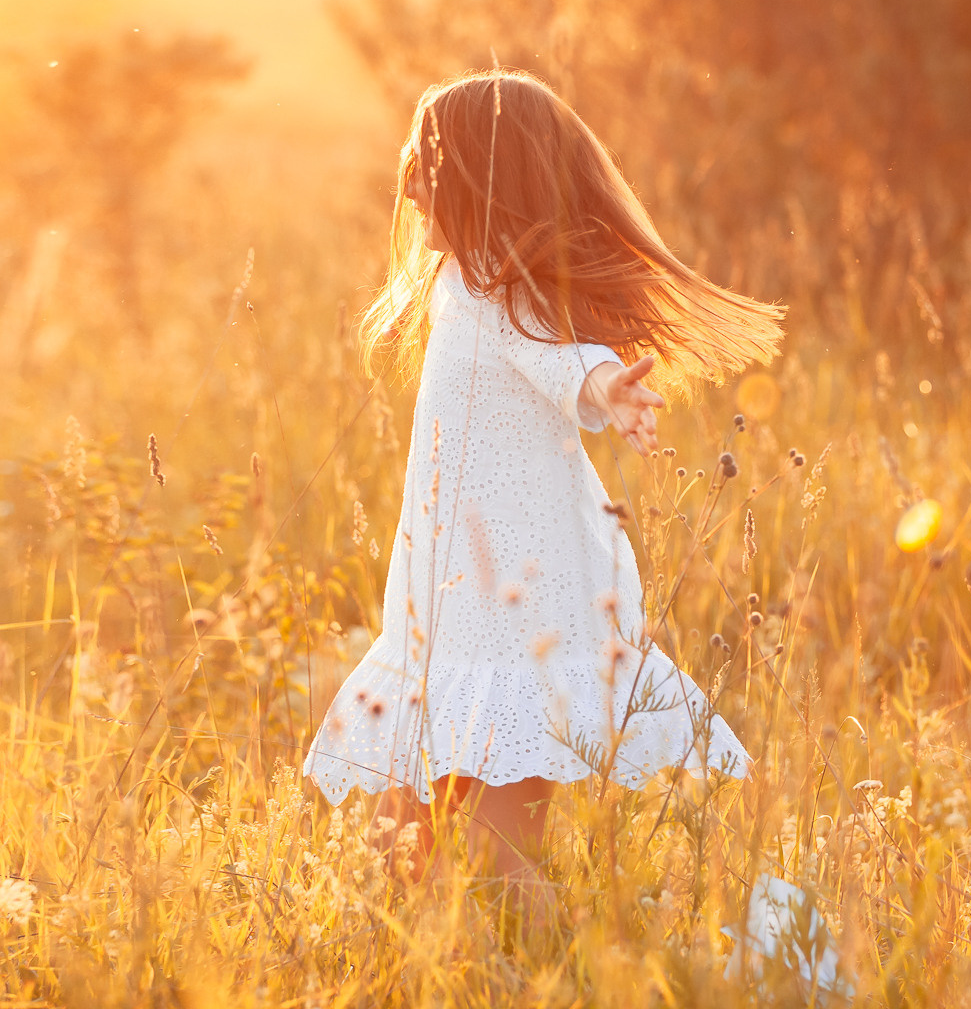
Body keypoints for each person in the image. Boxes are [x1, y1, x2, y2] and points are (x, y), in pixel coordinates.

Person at [300, 68, 785, 908]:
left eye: (429, 164)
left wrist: (609, 388)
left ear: (484, 183)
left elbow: (562, 360)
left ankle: (609, 958)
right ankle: (516, 964)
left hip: (516, 622)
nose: (409, 184)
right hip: (446, 618)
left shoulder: (502, 287)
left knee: (491, 862)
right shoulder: (459, 283)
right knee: (399, 848)